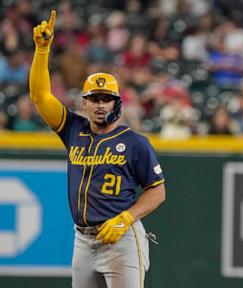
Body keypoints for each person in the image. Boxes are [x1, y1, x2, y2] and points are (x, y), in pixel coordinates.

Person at [29, 11, 166, 288]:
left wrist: (127, 218)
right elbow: (39, 97)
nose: (101, 104)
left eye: (107, 99)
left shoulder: (135, 142)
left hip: (122, 238)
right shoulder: (73, 129)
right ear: (85, 103)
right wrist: (42, 51)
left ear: (118, 103)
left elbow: (158, 191)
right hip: (82, 239)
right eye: (95, 98)